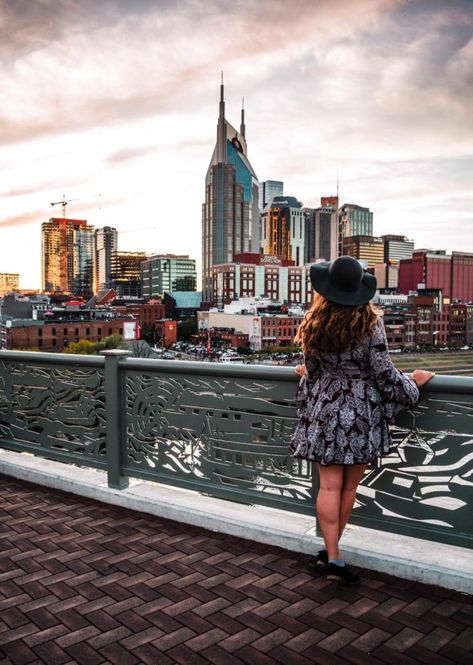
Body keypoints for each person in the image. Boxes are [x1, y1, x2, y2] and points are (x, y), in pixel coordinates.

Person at [290, 256, 434, 585]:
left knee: (328, 486)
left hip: (325, 409)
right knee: (349, 486)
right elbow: (385, 375)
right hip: (358, 413)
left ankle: (332, 554)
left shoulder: (314, 322)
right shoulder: (370, 325)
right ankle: (334, 557)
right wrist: (415, 383)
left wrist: (307, 376)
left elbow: (313, 371)